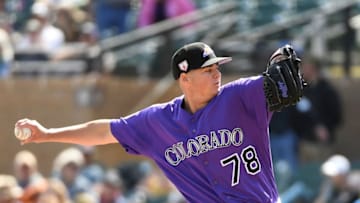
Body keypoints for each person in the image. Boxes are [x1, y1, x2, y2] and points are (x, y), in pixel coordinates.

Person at [15, 42, 305, 202]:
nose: (217, 74)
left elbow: (279, 82)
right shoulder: (158, 121)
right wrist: (48, 134)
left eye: (217, 67)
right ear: (185, 78)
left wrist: (280, 61)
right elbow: (104, 130)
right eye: (207, 70)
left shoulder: (240, 94)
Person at [291, 56, 343, 162]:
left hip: (322, 144)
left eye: (306, 68)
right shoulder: (302, 90)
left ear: (313, 69)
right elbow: (296, 114)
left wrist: (325, 127)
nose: (303, 71)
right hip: (305, 141)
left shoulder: (327, 91)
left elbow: (337, 116)